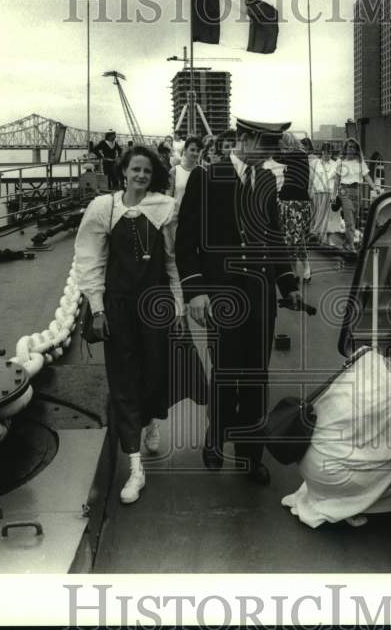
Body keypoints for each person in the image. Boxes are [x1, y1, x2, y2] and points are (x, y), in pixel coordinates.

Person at [175, 118, 301, 485]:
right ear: (245, 139)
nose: (270, 154)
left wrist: (287, 282)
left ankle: (250, 455)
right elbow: (187, 240)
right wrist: (196, 291)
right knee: (227, 371)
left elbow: (274, 234)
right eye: (266, 145)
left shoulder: (264, 180)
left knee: (256, 375)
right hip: (223, 293)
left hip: (260, 294)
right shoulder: (207, 176)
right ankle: (216, 438)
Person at [74, 145, 195, 506]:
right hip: (119, 307)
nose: (140, 176)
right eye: (135, 170)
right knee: (123, 378)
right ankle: (134, 465)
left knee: (154, 372)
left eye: (146, 171)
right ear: (123, 171)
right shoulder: (103, 208)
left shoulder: (166, 208)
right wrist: (97, 308)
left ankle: (149, 421)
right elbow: (90, 259)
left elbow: (172, 261)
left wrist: (178, 306)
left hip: (155, 306)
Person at [280, 325, 391, 528]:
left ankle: (341, 500)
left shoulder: (364, 355)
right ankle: (352, 504)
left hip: (308, 461)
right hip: (334, 479)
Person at [277, 131, 313, 283]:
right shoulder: (296, 155)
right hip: (288, 200)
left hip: (296, 201)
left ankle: (300, 269)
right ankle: (302, 269)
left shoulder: (297, 154)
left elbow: (277, 158)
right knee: (293, 238)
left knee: (294, 238)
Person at [334, 138, 376, 252]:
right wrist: (334, 195)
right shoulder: (340, 162)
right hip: (344, 190)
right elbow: (337, 179)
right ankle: (351, 246)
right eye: (349, 147)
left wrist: (374, 187)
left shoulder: (360, 162)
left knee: (355, 218)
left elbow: (367, 176)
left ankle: (347, 243)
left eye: (353, 147)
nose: (351, 149)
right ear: (346, 148)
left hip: (357, 190)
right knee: (350, 221)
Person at [309, 144, 333, 245]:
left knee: (323, 217)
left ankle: (320, 238)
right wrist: (309, 190)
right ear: (322, 152)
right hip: (316, 191)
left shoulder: (334, 164)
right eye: (326, 152)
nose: (327, 155)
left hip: (327, 193)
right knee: (315, 215)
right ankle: (313, 236)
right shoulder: (315, 163)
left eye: (330, 152)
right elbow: (311, 178)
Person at [169, 135, 203, 207]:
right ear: (185, 151)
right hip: (178, 215)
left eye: (198, 151)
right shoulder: (175, 171)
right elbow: (168, 196)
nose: (195, 153)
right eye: (192, 150)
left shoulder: (203, 172)